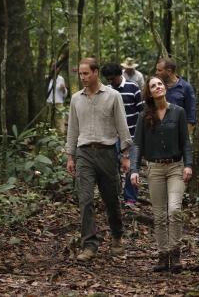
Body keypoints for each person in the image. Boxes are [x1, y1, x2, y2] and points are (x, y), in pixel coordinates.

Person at [65, 58, 132, 262]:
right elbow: (73, 129)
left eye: (86, 73)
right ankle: (89, 245)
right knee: (85, 200)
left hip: (107, 153)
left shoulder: (112, 96)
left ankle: (117, 237)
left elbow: (122, 125)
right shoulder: (76, 98)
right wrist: (70, 155)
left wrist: (126, 156)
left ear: (95, 73)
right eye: (80, 74)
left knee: (111, 200)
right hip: (84, 153)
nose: (83, 77)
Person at [130, 76, 193, 272]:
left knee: (174, 210)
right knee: (159, 216)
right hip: (154, 169)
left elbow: (185, 142)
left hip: (176, 167)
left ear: (165, 88)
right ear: (149, 93)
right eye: (153, 86)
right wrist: (134, 169)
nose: (158, 87)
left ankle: (175, 254)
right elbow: (137, 144)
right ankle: (162, 255)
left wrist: (188, 165)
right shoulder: (144, 116)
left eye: (160, 84)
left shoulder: (178, 112)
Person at [101, 62, 143, 205]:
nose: (111, 82)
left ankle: (130, 198)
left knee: (131, 167)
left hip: (132, 135)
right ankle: (114, 196)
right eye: (108, 80)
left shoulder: (133, 88)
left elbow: (141, 110)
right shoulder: (106, 90)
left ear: (120, 75)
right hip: (113, 136)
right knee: (113, 167)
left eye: (113, 78)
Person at [156, 57, 196, 135]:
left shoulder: (185, 87)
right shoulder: (158, 87)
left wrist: (184, 138)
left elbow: (191, 117)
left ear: (169, 71)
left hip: (178, 133)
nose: (156, 72)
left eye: (159, 70)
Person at [46, 68, 68, 134]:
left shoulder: (61, 79)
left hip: (59, 103)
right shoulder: (47, 78)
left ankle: (60, 136)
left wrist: (64, 88)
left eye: (57, 69)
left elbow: (65, 94)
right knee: (49, 120)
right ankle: (50, 135)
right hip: (49, 103)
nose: (55, 70)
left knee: (60, 121)